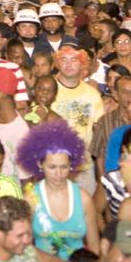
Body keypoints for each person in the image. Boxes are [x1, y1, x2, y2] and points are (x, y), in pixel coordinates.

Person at [18, 120, 98, 262]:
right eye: (52, 167)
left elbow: (94, 248)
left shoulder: (84, 200)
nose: (59, 174)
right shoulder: (31, 199)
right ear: (40, 165)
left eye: (64, 167)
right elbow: (23, 248)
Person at [49, 45, 104, 196]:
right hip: (53, 165)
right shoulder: (47, 89)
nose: (68, 64)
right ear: (57, 63)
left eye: (74, 59)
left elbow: (98, 130)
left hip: (83, 166)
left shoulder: (92, 94)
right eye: (63, 59)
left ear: (82, 64)